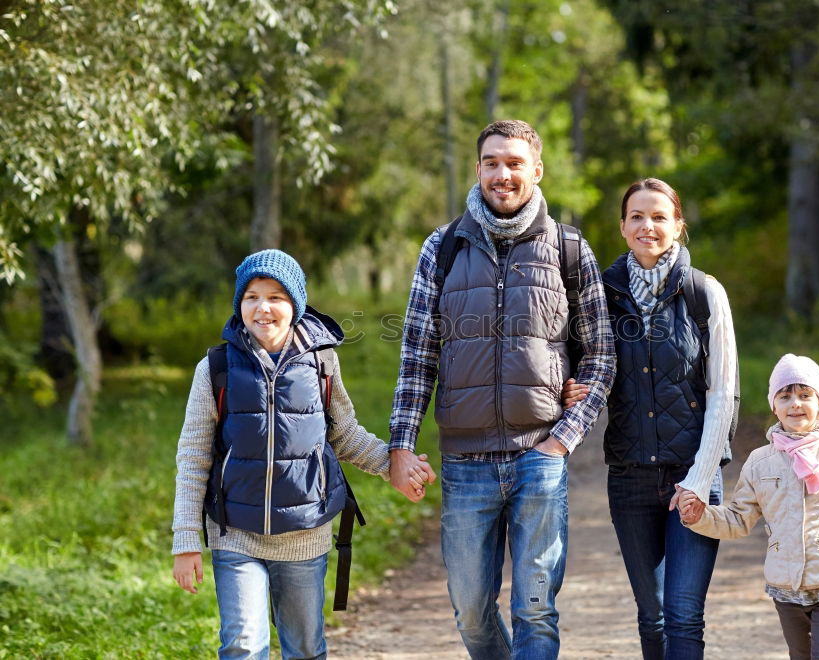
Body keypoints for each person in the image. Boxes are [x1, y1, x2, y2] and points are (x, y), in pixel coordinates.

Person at [388, 119, 616, 659]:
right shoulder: (442, 247)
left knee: (535, 607)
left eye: (514, 163)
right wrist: (400, 446)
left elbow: (603, 352)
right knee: (470, 609)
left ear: (536, 170)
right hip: (465, 462)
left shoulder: (569, 248)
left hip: (540, 455)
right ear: (478, 170)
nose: (503, 174)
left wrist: (564, 437)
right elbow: (418, 354)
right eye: (492, 162)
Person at [171, 249, 434, 659]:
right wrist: (186, 540)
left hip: (305, 536)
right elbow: (193, 457)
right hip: (235, 532)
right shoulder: (216, 368)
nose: (263, 308)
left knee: (306, 650)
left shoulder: (321, 362)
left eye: (276, 297)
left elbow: (344, 435)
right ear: (239, 304)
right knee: (242, 645)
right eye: (252, 297)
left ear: (295, 304)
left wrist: (392, 465)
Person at [564, 177, 737, 659]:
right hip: (630, 478)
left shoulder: (705, 293)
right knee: (653, 614)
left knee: (683, 612)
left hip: (693, 477)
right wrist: (570, 388)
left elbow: (724, 394)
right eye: (637, 216)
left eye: (660, 216)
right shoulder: (600, 295)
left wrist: (699, 480)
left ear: (678, 226)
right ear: (622, 227)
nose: (648, 226)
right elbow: (584, 368)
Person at [679, 354, 819, 660]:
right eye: (785, 396)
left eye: (805, 395)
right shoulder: (760, 462)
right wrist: (700, 516)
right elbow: (738, 519)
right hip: (785, 587)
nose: (795, 404)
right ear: (774, 406)